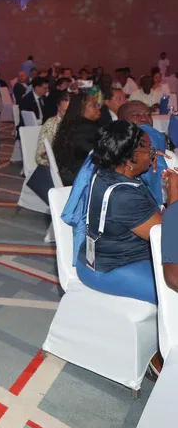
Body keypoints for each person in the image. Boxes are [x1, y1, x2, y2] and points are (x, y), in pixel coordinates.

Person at [74, 121, 169, 306]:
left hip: (103, 258)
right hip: (111, 269)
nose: (153, 153)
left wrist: (150, 159)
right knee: (173, 289)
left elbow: (145, 134)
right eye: (149, 149)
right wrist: (174, 193)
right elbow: (167, 236)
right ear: (131, 157)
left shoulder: (107, 169)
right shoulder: (123, 195)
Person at [119, 101, 171, 206]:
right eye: (135, 115)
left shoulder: (167, 155)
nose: (144, 119)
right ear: (121, 121)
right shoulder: (115, 151)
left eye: (148, 114)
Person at [52, 93, 102, 185]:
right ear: (81, 109)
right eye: (94, 105)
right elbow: (99, 155)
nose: (98, 108)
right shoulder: (86, 129)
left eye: (98, 105)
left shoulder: (70, 125)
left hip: (68, 174)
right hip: (79, 178)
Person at [36, 90, 70, 166]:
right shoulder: (50, 124)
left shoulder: (77, 123)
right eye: (65, 111)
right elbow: (40, 156)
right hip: (56, 166)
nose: (68, 114)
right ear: (58, 108)